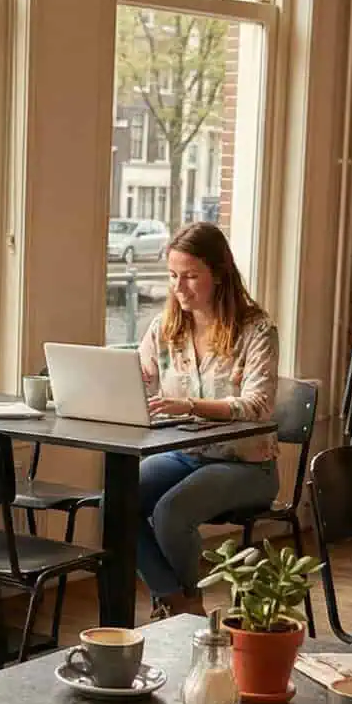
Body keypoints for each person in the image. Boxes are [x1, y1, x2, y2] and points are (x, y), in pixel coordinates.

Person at [135, 222, 280, 618]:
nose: (179, 288)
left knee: (169, 512)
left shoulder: (257, 330)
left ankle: (185, 611)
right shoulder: (164, 329)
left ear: (218, 274)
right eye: (172, 276)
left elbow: (257, 405)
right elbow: (140, 383)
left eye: (190, 276)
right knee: (117, 501)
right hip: (185, 455)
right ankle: (179, 602)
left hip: (247, 465)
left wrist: (192, 405)